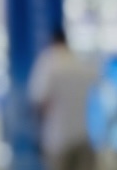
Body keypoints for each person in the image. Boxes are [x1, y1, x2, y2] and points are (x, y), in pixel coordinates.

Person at [28, 27, 100, 170]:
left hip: (58, 139)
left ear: (52, 42)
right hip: (83, 136)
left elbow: (39, 101)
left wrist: (38, 136)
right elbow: (98, 81)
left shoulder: (49, 63)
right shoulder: (80, 63)